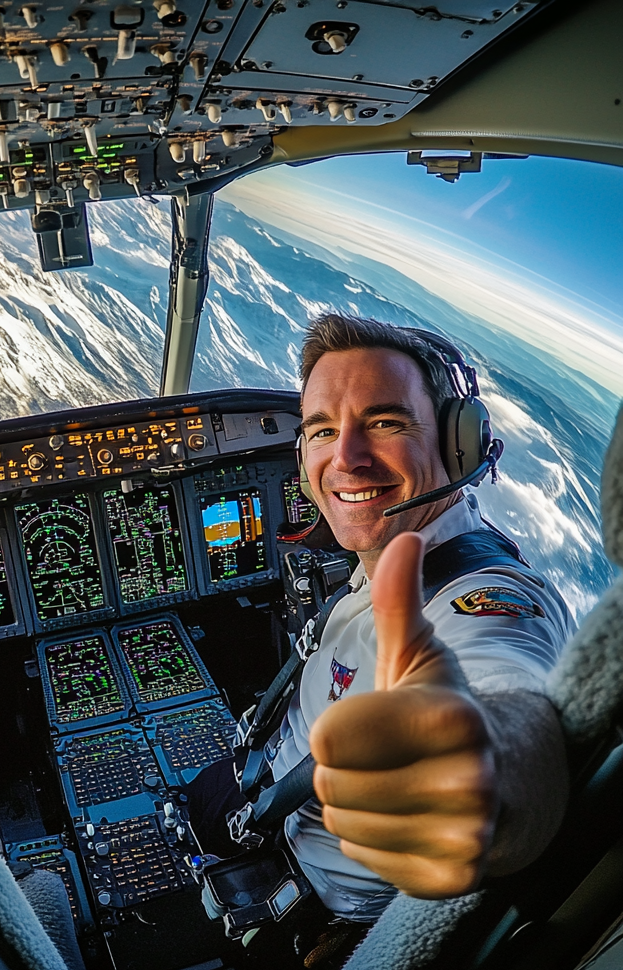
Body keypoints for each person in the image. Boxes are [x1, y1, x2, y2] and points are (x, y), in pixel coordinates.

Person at [187, 314, 574, 928]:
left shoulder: (486, 595)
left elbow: (503, 693)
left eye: (385, 422)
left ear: (457, 446)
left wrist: (467, 769)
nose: (346, 458)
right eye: (321, 431)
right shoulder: (392, 556)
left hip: (304, 903)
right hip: (264, 781)